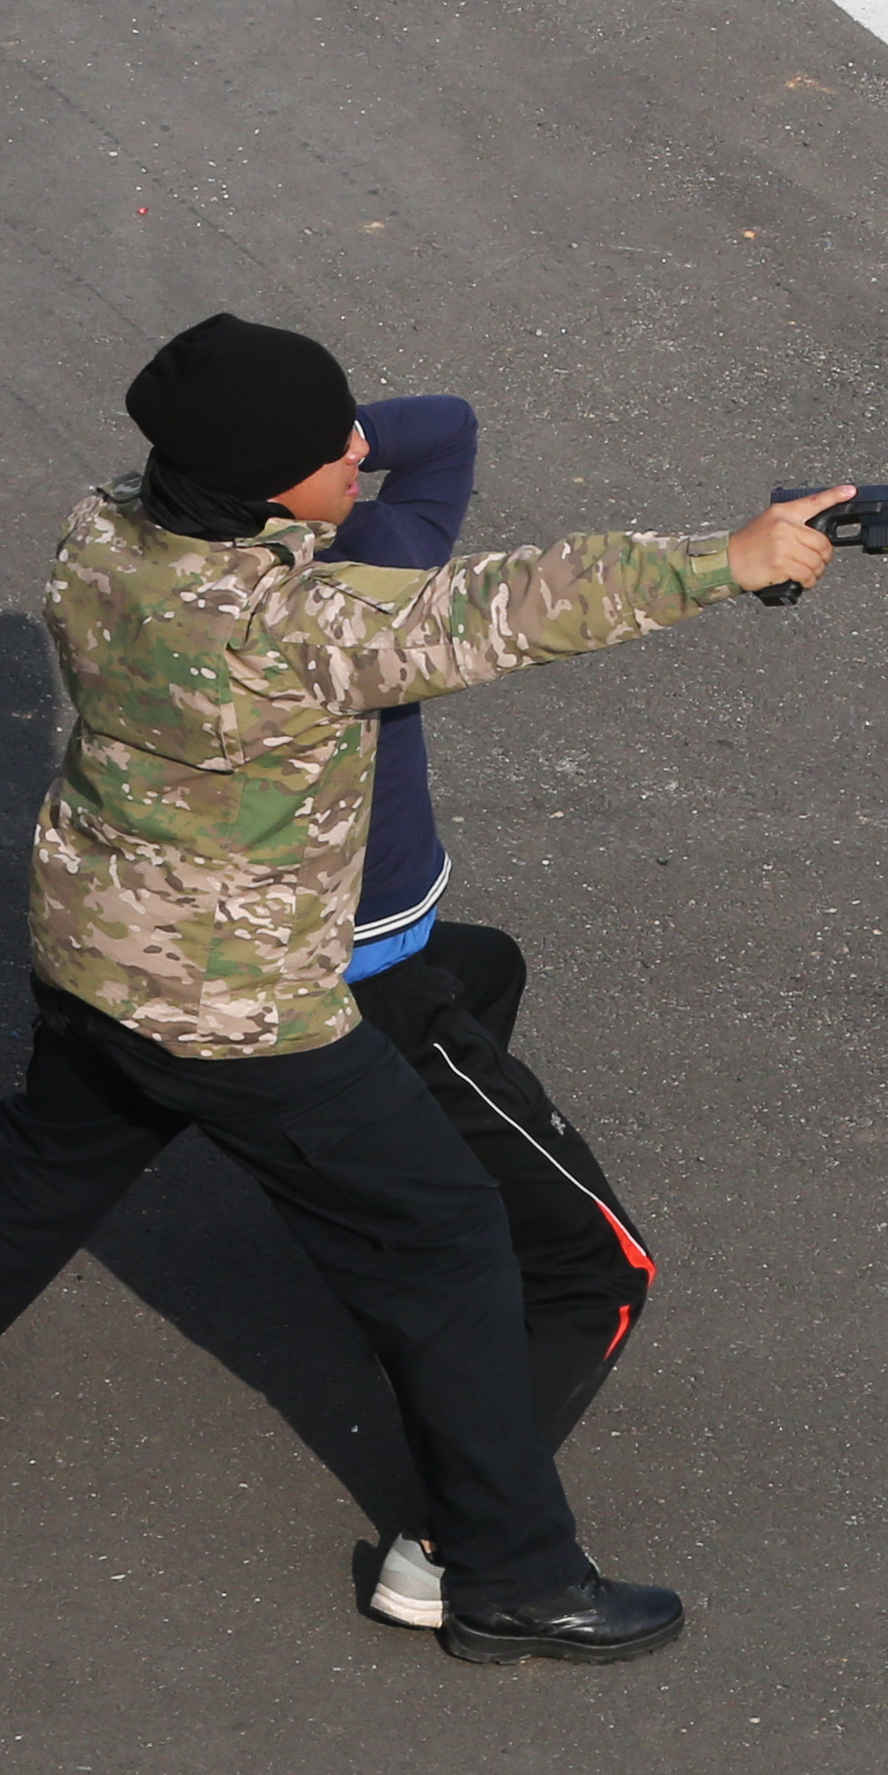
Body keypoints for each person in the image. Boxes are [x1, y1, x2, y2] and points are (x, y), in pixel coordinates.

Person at [0, 314, 854, 1664]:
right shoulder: (305, 628)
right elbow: (517, 603)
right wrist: (733, 560)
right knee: (453, 1238)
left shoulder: (100, 533)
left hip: (98, 949)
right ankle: (512, 1574)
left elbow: (288, 462)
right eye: (336, 444)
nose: (362, 448)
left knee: (36, 1165)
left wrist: (308, 438)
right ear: (269, 485)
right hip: (241, 1014)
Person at [330, 394, 664, 1637]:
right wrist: (349, 432)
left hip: (187, 963)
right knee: (598, 1265)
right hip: (356, 978)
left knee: (491, 965)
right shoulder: (374, 585)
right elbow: (450, 426)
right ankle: (451, 1549)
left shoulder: (151, 569)